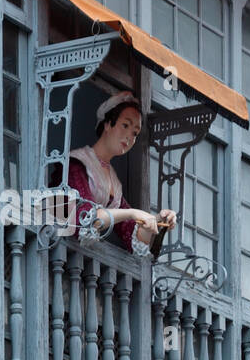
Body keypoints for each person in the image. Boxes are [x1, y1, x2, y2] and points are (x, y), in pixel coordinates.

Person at [67, 92, 177, 256]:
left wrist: (157, 221)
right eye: (125, 125)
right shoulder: (77, 163)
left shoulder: (114, 183)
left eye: (135, 133)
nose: (129, 137)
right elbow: (85, 218)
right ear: (107, 124)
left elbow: (132, 235)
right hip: (59, 251)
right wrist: (133, 213)